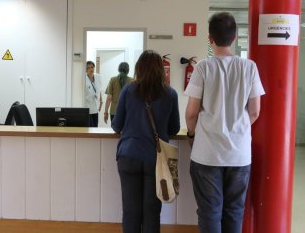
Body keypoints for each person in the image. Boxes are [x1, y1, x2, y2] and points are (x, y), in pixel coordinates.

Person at [184, 12, 265, 233]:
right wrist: (237, 126)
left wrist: (192, 133)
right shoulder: (249, 67)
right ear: (235, 37)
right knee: (235, 211)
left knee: (210, 212)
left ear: (210, 39)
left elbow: (191, 113)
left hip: (207, 154)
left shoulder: (203, 67)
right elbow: (255, 111)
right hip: (239, 155)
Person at [111, 50, 180, 233]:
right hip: (155, 160)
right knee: (151, 211)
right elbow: (173, 129)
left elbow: (116, 125)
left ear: (138, 68)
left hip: (129, 155)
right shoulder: (170, 94)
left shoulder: (128, 90)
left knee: (131, 211)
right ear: (160, 70)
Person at [85, 61, 102, 127]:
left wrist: (101, 102)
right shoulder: (84, 79)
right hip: (87, 107)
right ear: (86, 70)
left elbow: (99, 90)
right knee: (90, 127)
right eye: (88, 68)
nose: (91, 69)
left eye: (92, 67)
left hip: (96, 106)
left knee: (95, 127)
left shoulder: (98, 77)